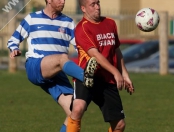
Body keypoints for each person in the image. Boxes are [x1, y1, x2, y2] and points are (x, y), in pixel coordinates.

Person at [7, 0, 97, 132]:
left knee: (76, 110)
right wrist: (14, 48)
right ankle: (86, 77)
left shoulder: (68, 22)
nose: (63, 1)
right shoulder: (32, 18)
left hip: (57, 71)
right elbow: (13, 40)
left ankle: (87, 77)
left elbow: (80, 48)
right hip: (36, 66)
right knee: (62, 58)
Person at [67, 0, 134, 132]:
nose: (97, 7)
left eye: (98, 3)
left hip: (107, 79)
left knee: (119, 125)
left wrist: (125, 74)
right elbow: (95, 55)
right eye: (93, 4)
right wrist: (116, 72)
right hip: (87, 76)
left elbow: (116, 50)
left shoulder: (110, 23)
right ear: (83, 8)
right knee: (78, 108)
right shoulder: (82, 28)